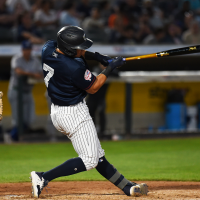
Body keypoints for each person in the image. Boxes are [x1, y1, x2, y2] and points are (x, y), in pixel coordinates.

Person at [30, 26, 148, 198]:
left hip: (58, 112)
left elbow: (77, 52)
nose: (82, 49)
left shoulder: (48, 48)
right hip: (73, 114)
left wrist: (98, 57)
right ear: (69, 49)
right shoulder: (72, 68)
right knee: (90, 159)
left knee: (97, 155)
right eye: (78, 47)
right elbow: (94, 87)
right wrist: (110, 67)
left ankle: (126, 187)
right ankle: (43, 177)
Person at [8, 40, 43, 141]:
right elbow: (18, 71)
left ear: (31, 50)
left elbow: (41, 73)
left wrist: (36, 75)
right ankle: (12, 138)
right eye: (25, 49)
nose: (27, 51)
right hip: (16, 91)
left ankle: (19, 138)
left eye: (28, 49)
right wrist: (32, 74)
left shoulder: (35, 60)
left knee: (29, 119)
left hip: (28, 91)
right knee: (18, 120)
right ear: (22, 50)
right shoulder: (17, 58)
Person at [86, 63, 118, 140]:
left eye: (106, 65)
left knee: (101, 113)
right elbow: (94, 75)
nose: (104, 66)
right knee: (90, 116)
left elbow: (117, 74)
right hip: (92, 97)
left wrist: (109, 69)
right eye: (103, 64)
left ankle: (102, 134)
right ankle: (91, 134)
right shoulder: (95, 70)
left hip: (101, 98)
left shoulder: (110, 70)